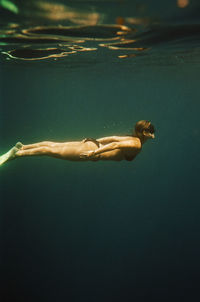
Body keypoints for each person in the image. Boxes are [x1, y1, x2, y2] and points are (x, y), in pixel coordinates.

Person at [0, 120, 155, 165]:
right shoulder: (137, 144)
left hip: (92, 144)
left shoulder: (132, 138)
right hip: (92, 152)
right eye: (151, 132)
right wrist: (94, 153)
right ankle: (18, 154)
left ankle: (23, 147)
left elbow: (113, 137)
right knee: (51, 151)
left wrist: (94, 142)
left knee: (54, 145)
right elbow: (115, 145)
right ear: (144, 133)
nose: (153, 135)